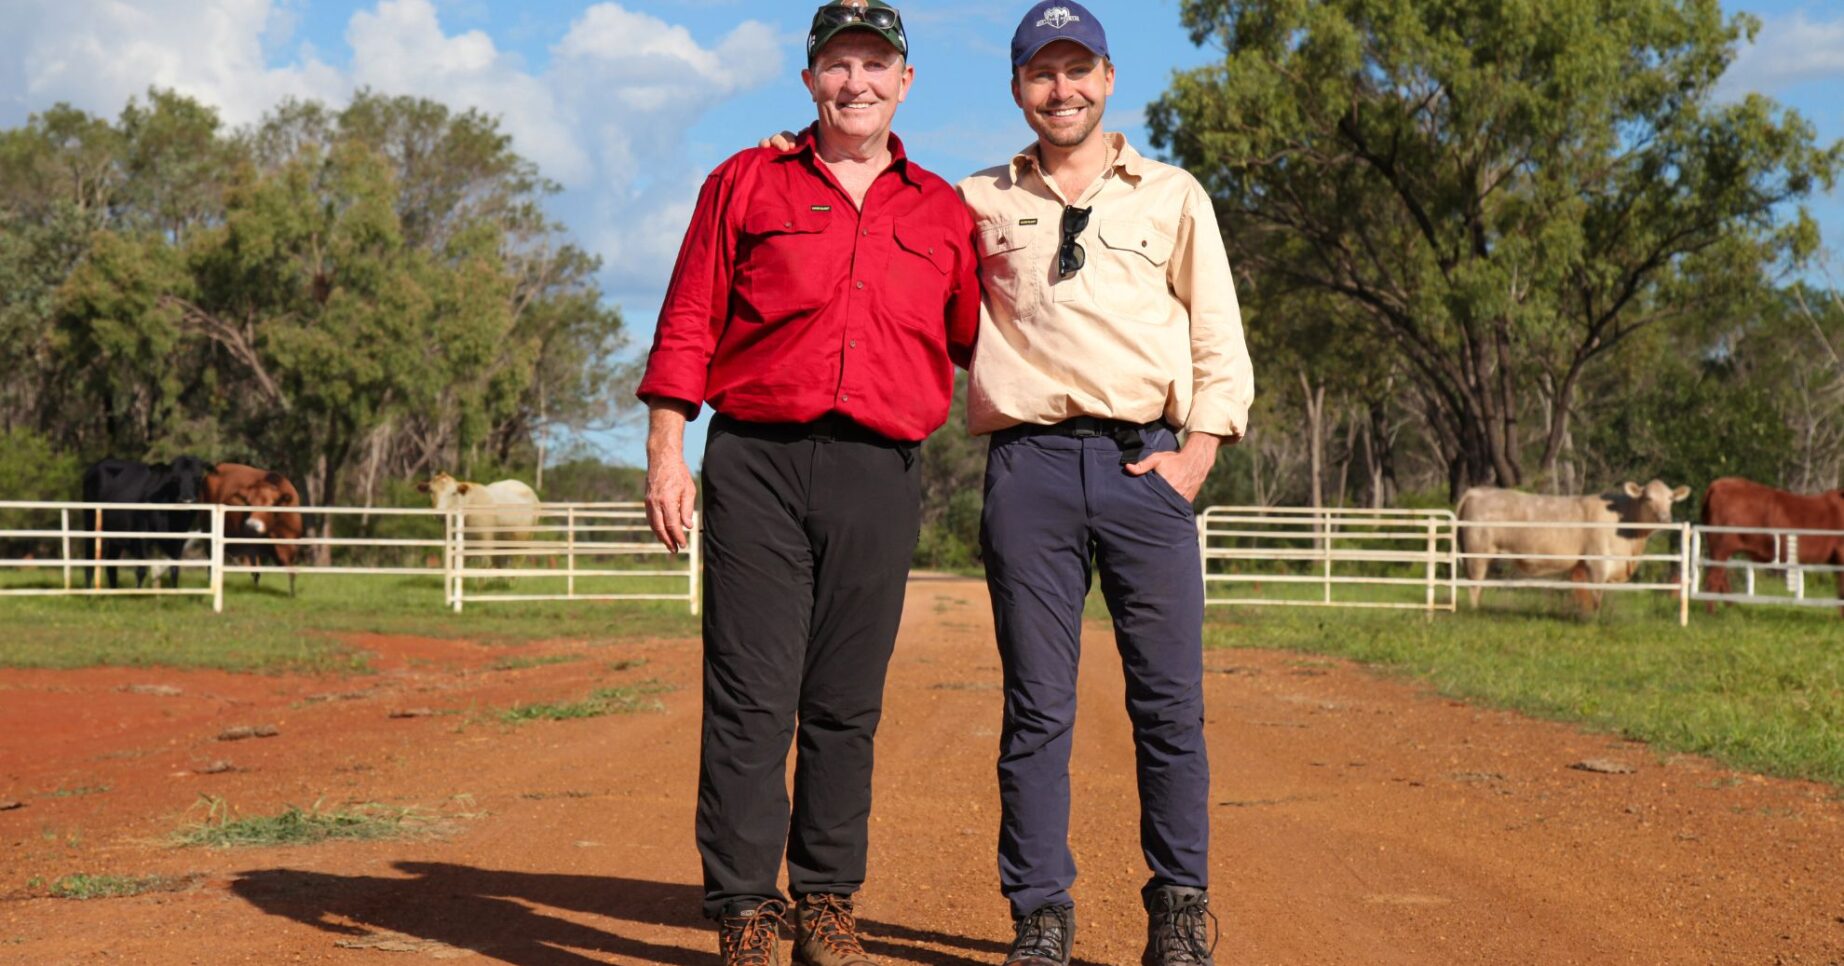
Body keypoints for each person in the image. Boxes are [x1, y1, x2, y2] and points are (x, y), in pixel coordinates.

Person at [635, 2, 979, 964]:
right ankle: (745, 909)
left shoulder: (944, 210)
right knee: (750, 694)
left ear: (905, 82)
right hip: (757, 462)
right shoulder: (745, 180)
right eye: (838, 64)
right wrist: (669, 448)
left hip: (879, 471)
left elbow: (970, 336)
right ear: (809, 80)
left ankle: (826, 902)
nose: (856, 82)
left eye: (876, 64)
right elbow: (689, 316)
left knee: (845, 699)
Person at [959, 3, 1254, 963]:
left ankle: (1177, 912)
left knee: (1168, 704)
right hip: (1030, 471)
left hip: (1145, 467)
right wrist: (799, 146)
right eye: (1042, 74)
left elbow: (1218, 336)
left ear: (1110, 77)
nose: (1062, 89)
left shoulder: (1172, 194)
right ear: (1017, 89)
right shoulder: (975, 201)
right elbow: (873, 208)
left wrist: (1196, 456)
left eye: (1077, 69)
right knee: (1038, 709)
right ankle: (1040, 917)